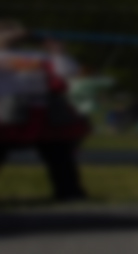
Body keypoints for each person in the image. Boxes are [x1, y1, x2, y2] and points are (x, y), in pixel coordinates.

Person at [0, 20, 88, 200]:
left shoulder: (38, 56)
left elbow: (68, 72)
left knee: (58, 153)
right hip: (7, 110)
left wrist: (58, 52)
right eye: (7, 30)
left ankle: (69, 192)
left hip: (44, 111)